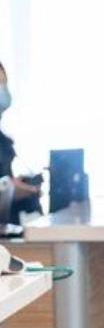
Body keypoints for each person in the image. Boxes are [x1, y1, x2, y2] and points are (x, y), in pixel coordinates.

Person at [0, 60, 44, 224]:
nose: (3, 90)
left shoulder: (4, 141)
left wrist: (19, 187)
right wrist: (8, 187)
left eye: (4, 84)